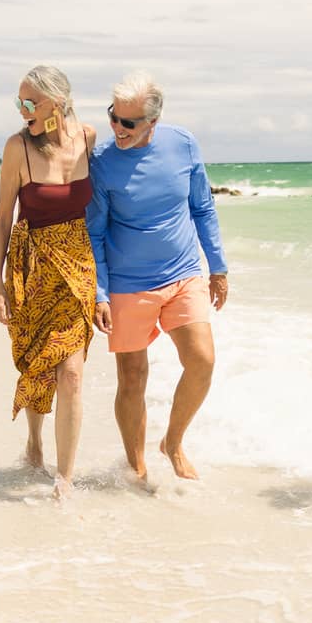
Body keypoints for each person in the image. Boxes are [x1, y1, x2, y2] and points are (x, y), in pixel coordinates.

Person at [87, 71, 228, 482]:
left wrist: (217, 267)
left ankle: (173, 442)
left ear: (153, 121)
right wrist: (100, 292)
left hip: (185, 273)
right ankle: (137, 468)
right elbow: (95, 231)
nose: (117, 128)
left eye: (128, 123)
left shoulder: (182, 143)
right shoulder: (102, 164)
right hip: (128, 283)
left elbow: (202, 207)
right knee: (133, 378)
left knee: (202, 360)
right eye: (113, 117)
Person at [0, 65, 98, 500]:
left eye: (30, 102)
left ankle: (64, 478)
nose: (23, 110)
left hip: (78, 267)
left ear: (58, 101)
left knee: (70, 373)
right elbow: (1, 218)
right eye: (19, 102)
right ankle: (34, 440)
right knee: (38, 361)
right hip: (31, 266)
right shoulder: (18, 148)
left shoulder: (88, 137)